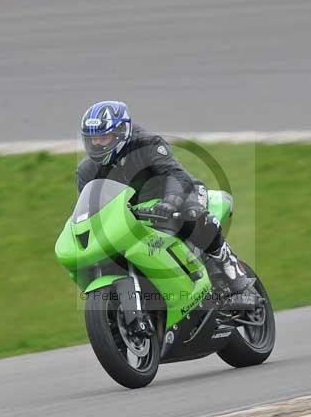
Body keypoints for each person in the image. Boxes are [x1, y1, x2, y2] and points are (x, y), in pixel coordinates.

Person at [76, 100, 250, 293]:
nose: (97, 144)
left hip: (177, 193)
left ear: (120, 132)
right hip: (133, 214)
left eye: (104, 137)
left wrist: (170, 201)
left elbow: (175, 174)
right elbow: (91, 208)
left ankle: (228, 263)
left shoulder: (147, 143)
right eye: (93, 139)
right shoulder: (87, 170)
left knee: (191, 214)